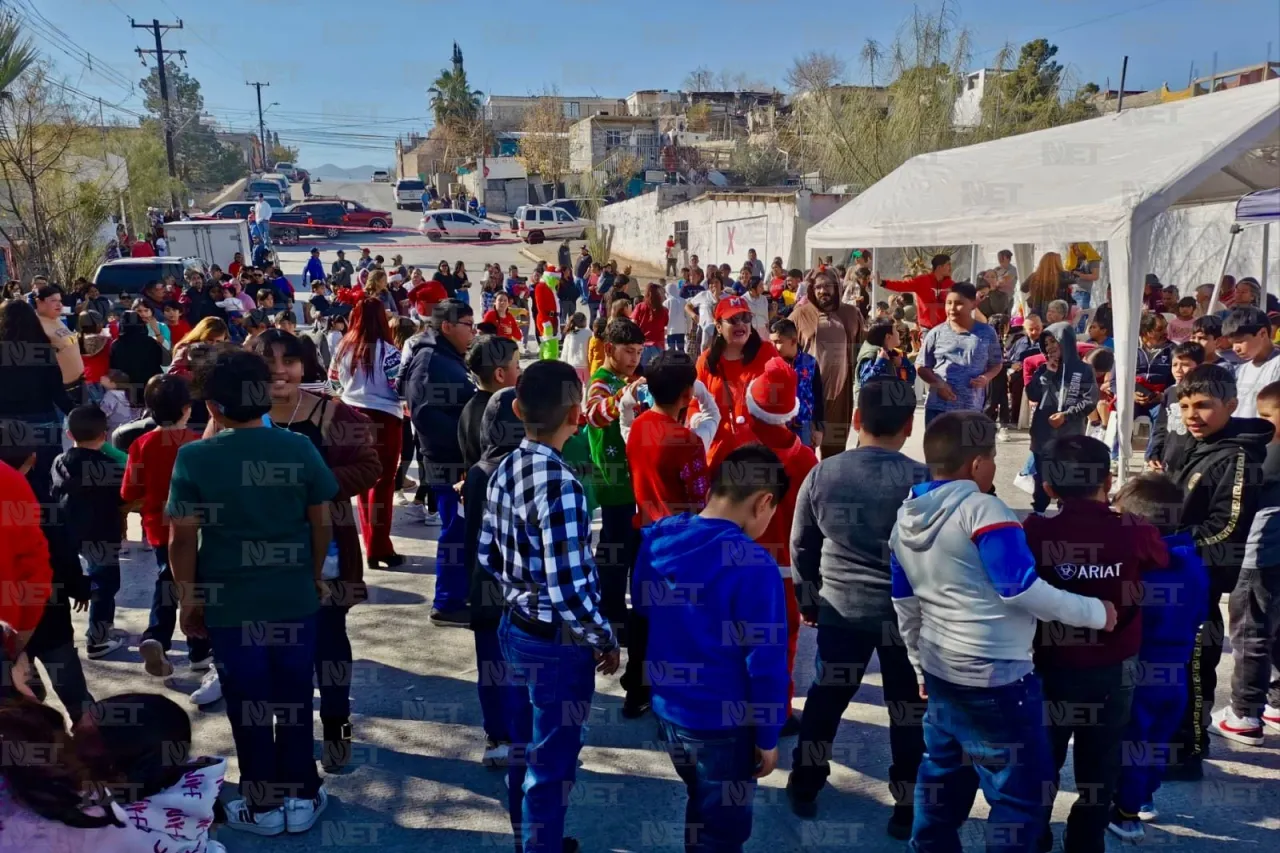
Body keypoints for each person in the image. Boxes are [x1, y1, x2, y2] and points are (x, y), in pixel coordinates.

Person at [890, 411, 1116, 851]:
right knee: (1019, 796)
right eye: (993, 458)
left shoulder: (905, 518)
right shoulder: (983, 509)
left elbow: (906, 604)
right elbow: (1019, 589)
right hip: (998, 677)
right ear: (976, 464)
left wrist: (920, 667)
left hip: (940, 670)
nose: (995, 468)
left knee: (942, 775)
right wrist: (1095, 612)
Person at [167, 347, 336, 835]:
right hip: (294, 597)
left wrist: (188, 596)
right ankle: (302, 797)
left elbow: (181, 536)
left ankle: (261, 805)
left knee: (248, 703)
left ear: (212, 408)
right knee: (296, 696)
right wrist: (314, 571)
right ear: (263, 397)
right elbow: (321, 518)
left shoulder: (194, 456)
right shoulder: (298, 447)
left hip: (230, 603)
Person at [479, 359, 619, 853]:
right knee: (553, 762)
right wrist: (605, 637)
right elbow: (569, 591)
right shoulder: (563, 487)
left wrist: (518, 588)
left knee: (524, 750)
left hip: (513, 627)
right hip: (555, 645)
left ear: (518, 409)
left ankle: (530, 840)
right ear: (578, 416)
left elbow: (486, 553)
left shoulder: (505, 467)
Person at [632, 444, 789, 853]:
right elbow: (766, 663)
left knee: (700, 802)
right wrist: (769, 736)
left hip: (669, 712)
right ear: (764, 502)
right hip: (724, 725)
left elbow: (645, 608)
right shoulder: (755, 565)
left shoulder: (656, 538)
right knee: (722, 831)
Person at [788, 377, 927, 834]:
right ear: (909, 426)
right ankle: (906, 806)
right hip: (907, 622)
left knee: (825, 703)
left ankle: (805, 785)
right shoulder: (923, 482)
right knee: (907, 712)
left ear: (855, 419)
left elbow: (801, 547)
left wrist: (809, 598)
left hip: (840, 613)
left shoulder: (823, 473)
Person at [1023, 435, 1168, 853]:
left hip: (1052, 666)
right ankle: (1085, 841)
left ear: (1047, 487)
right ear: (1107, 480)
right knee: (1100, 766)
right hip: (1114, 668)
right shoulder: (1135, 529)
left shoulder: (1035, 530)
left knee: (1042, 759)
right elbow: (1161, 557)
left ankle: (1036, 836)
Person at [248, 329, 381, 772]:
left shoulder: (331, 412)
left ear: (304, 366)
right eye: (268, 362)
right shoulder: (239, 417)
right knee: (281, 658)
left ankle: (338, 728)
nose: (278, 370)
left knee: (329, 647)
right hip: (260, 564)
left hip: (326, 561)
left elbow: (369, 467)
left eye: (288, 361)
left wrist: (311, 486)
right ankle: (293, 746)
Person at [1164, 364, 1270, 778]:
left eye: (1204, 405)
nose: (1193, 414)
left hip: (1198, 585)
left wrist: (1164, 545)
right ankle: (1172, 740)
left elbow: (1227, 529)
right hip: (1173, 578)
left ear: (1230, 404)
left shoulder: (1237, 457)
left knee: (1193, 670)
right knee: (1170, 668)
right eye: (1186, 405)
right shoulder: (1195, 445)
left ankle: (1189, 751)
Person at [1108, 473, 1209, 841]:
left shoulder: (1141, 570)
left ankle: (1126, 812)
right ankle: (1145, 798)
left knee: (1132, 740)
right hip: (1177, 669)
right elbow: (1201, 614)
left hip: (1141, 669)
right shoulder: (1194, 563)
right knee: (1157, 741)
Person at [122, 374, 212, 682]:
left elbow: (129, 492)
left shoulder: (140, 445)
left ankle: (157, 638)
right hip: (196, 529)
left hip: (158, 529)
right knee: (195, 588)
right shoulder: (198, 444)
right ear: (188, 408)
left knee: (166, 584)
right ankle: (199, 652)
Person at [1209, 382, 1280, 746]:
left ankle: (1244, 713)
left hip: (1259, 556)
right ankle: (1276, 701)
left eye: (1268, 417)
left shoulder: (1266, 455)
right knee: (1274, 626)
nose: (1264, 425)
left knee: (1249, 631)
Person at [584, 318, 648, 717]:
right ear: (610, 348)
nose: (633, 358)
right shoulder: (601, 380)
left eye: (639, 352)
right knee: (613, 546)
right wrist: (624, 396)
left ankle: (619, 608)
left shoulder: (632, 379)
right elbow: (594, 414)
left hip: (632, 478)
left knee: (627, 545)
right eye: (628, 351)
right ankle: (610, 609)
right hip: (612, 478)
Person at [400, 299, 477, 625]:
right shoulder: (431, 360)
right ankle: (447, 602)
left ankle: (462, 594)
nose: (473, 331)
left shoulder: (447, 356)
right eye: (468, 325)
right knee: (455, 533)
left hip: (458, 461)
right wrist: (467, 448)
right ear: (448, 326)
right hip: (449, 465)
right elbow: (427, 417)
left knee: (463, 531)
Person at [72, 693, 227, 853]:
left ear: (119, 778)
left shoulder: (105, 832)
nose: (69, 733)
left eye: (75, 739)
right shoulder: (183, 782)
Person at [461, 388, 525, 767]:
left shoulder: (478, 473)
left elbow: (473, 537)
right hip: (524, 593)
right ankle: (523, 738)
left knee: (491, 669)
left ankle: (496, 738)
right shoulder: (529, 468)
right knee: (523, 671)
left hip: (485, 586)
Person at [329, 298, 404, 571]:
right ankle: (379, 547)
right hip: (384, 418)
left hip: (351, 416)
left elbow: (333, 381)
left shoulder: (343, 348)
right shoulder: (389, 351)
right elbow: (400, 389)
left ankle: (370, 545)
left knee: (362, 483)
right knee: (383, 485)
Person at [50, 405, 125, 660]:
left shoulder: (60, 461)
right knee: (105, 584)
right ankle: (98, 639)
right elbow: (123, 497)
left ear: (69, 434)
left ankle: (105, 623)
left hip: (69, 531)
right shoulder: (110, 465)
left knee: (97, 580)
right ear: (105, 434)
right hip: (101, 534)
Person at [1026, 322, 1099, 513]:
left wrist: (1067, 416)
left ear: (1065, 342)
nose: (1049, 347)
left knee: (1068, 475)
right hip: (1043, 434)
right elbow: (1032, 394)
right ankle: (1039, 511)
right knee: (1042, 475)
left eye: (1053, 341)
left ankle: (1065, 512)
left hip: (1070, 435)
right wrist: (1047, 375)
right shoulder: (1043, 370)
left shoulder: (1083, 370)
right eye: (1046, 343)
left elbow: (1090, 399)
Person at [917, 282, 1003, 427]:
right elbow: (921, 365)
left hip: (971, 408)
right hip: (938, 408)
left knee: (967, 449)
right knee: (938, 449)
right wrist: (938, 384)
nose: (951, 308)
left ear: (973, 304)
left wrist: (986, 378)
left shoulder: (987, 333)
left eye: (958, 303)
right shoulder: (936, 333)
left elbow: (996, 363)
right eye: (948, 303)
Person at [458, 334, 521, 472]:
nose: (521, 372)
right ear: (499, 374)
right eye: (517, 366)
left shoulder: (469, 409)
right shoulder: (504, 414)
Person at [1147, 341, 1204, 473]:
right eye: (1174, 365)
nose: (1178, 370)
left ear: (1199, 366)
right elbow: (1161, 426)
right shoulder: (1170, 392)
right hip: (1169, 457)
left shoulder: (1204, 395)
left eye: (1185, 365)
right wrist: (1154, 451)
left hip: (1192, 460)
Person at [770, 318, 824, 449]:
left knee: (805, 466)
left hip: (804, 428)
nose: (773, 346)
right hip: (779, 427)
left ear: (793, 341)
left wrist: (819, 428)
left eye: (778, 342)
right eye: (771, 341)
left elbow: (818, 396)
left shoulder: (810, 363)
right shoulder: (771, 364)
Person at [1225, 306, 1280, 418]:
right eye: (1232, 343)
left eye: (1240, 341)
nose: (1235, 348)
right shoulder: (1242, 370)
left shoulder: (1277, 365)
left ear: (1263, 333)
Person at [34, 284, 86, 402]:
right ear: (39, 302)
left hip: (79, 383)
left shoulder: (56, 319)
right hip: (61, 391)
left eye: (60, 301)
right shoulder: (36, 325)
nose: (59, 304)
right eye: (53, 301)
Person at [881, 254, 954, 331]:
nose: (951, 268)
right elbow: (902, 285)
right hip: (927, 329)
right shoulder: (922, 281)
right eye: (948, 264)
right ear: (939, 267)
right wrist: (883, 283)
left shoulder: (952, 285)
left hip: (945, 329)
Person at [855, 317, 918, 395]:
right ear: (888, 337)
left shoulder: (892, 354)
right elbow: (866, 382)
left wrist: (903, 363)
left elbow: (910, 380)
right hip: (873, 406)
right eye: (895, 330)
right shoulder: (873, 355)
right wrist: (880, 363)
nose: (898, 333)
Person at [685, 273, 726, 355]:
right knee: (702, 355)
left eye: (716, 282)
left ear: (721, 284)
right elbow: (687, 306)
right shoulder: (703, 294)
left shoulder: (727, 297)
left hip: (720, 330)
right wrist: (694, 315)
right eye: (711, 283)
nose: (713, 285)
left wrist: (717, 297)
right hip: (703, 329)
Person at [632, 282, 669, 367]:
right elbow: (665, 325)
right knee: (657, 371)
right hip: (658, 345)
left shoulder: (640, 307)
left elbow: (633, 324)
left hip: (642, 344)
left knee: (642, 371)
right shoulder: (664, 310)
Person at [560, 312, 591, 384]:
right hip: (586, 365)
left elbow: (565, 352)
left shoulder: (570, 335)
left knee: (573, 389)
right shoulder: (588, 333)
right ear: (584, 321)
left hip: (573, 365)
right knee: (587, 388)